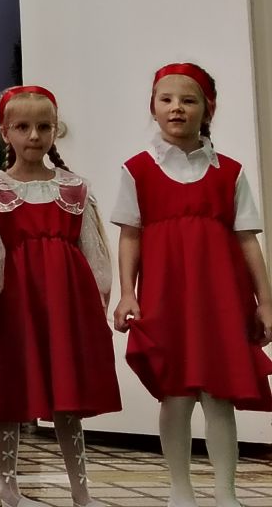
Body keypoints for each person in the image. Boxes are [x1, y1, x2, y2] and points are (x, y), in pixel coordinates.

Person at [111, 63, 272, 507]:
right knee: (176, 397)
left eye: (189, 100)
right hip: (166, 298)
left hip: (221, 299)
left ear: (208, 108)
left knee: (218, 397)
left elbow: (248, 239)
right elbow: (130, 236)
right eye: (166, 99)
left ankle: (226, 491)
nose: (176, 108)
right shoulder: (137, 170)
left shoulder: (230, 172)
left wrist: (265, 301)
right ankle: (179, 490)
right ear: (153, 107)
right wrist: (128, 293)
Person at [0, 86, 121, 507]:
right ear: (5, 132)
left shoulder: (75, 190)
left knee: (66, 393)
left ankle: (81, 491)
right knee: (12, 390)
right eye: (22, 127)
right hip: (19, 304)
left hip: (66, 303)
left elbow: (93, 249)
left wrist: (99, 297)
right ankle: (8, 488)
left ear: (56, 130)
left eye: (43, 126)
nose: (34, 136)